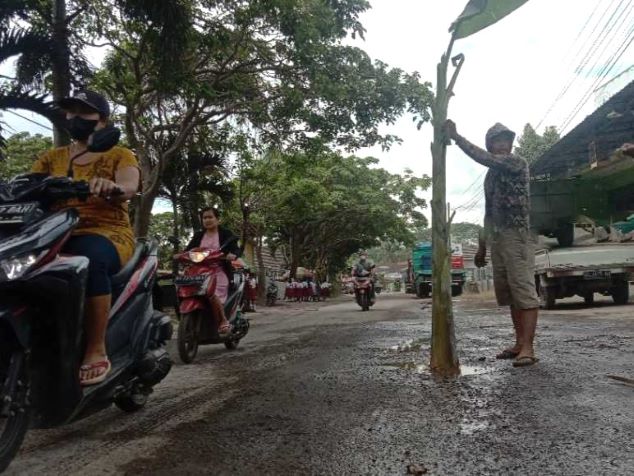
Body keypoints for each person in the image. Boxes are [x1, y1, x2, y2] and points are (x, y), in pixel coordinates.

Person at [32, 90, 141, 385]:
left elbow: (130, 185)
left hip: (105, 231)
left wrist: (113, 187)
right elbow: (29, 187)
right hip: (53, 233)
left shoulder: (120, 154)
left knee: (88, 262)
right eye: (71, 112)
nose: (75, 118)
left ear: (102, 121)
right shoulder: (50, 158)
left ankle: (95, 348)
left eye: (84, 113)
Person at [444, 120, 540, 367]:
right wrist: (482, 246)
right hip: (497, 238)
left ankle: (528, 347)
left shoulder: (515, 162)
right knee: (509, 293)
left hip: (516, 236)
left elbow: (482, 157)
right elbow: (487, 213)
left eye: (505, 141)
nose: (502, 145)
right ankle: (519, 343)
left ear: (510, 144)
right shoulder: (491, 176)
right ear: (491, 144)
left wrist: (457, 137)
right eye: (497, 141)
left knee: (523, 290)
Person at [185, 207, 241, 334]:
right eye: (204, 218)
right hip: (198, 272)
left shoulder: (226, 234)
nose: (207, 220)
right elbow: (188, 250)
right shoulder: (199, 235)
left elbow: (236, 249)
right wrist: (179, 255)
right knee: (185, 290)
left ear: (217, 219)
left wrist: (233, 255)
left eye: (210, 217)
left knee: (212, 292)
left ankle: (223, 320)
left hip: (218, 271)